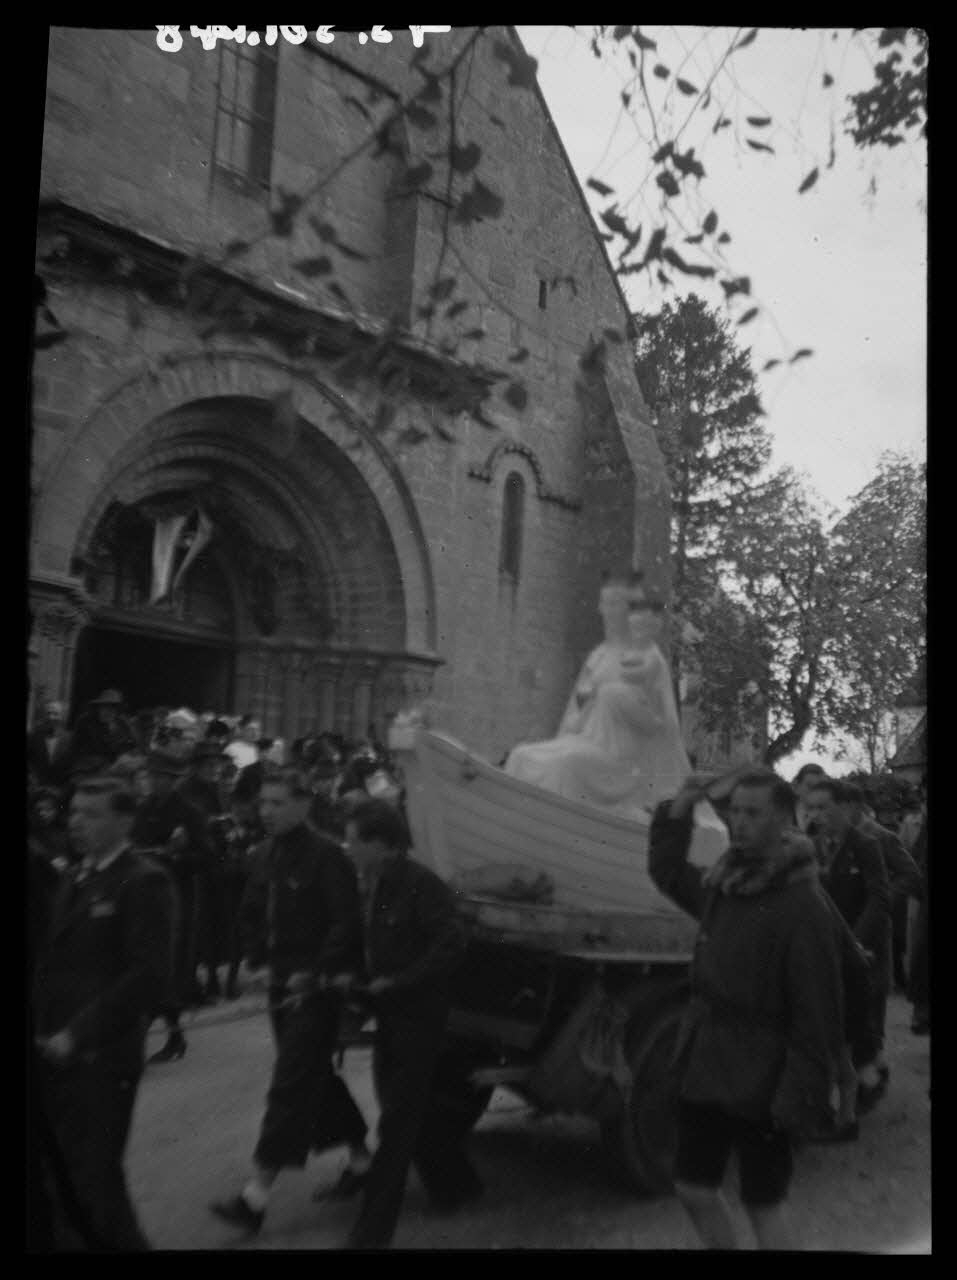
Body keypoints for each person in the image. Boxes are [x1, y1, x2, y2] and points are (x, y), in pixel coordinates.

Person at [648, 768, 844, 1251]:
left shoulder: (804, 906)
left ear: (783, 819)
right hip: (709, 1063)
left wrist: (797, 1099)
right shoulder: (725, 883)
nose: (739, 822)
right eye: (733, 811)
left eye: (753, 813)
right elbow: (668, 872)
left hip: (766, 1079)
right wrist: (680, 807)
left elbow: (817, 1016)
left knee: (764, 1205)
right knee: (693, 1187)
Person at [209, 766, 370, 1235]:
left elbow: (346, 924)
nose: (267, 812)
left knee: (291, 1082)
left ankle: (254, 1197)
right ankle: (363, 1163)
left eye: (278, 803)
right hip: (282, 987)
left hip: (317, 991)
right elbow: (250, 913)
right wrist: (258, 961)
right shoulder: (262, 855)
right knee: (314, 1075)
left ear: (304, 804)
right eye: (263, 803)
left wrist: (316, 972)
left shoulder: (328, 858)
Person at [31, 774, 175, 1250]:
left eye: (91, 814)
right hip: (55, 1053)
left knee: (94, 1186)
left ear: (125, 820)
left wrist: (79, 1033)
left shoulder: (143, 881)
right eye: (73, 812)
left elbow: (145, 976)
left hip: (100, 1058)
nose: (75, 823)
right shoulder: (77, 877)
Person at [340, 798, 480, 1250]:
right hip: (391, 1017)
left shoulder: (423, 886)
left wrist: (400, 983)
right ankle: (458, 1187)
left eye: (355, 840)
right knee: (407, 1110)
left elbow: (451, 946)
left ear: (383, 845)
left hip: (419, 1020)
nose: (348, 848)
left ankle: (371, 1235)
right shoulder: (376, 882)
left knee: (396, 1127)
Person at [505, 571, 725, 855]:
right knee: (522, 755)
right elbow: (579, 708)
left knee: (566, 765)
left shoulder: (648, 658)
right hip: (590, 739)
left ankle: (561, 844)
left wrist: (619, 700)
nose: (608, 611)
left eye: (617, 605)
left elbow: (660, 726)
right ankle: (522, 835)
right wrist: (578, 719)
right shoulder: (599, 656)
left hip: (624, 760)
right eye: (606, 603)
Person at [804, 777, 891, 1113]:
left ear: (843, 807)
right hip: (822, 945)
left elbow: (879, 896)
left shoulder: (865, 844)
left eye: (823, 807)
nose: (816, 814)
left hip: (857, 946)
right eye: (811, 807)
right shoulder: (807, 845)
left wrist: (856, 940)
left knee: (855, 1015)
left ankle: (867, 1078)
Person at [129, 747, 210, 1060]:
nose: (155, 782)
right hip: (145, 894)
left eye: (162, 777)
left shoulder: (189, 812)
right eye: (152, 776)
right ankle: (174, 1036)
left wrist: (177, 856)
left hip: (177, 895)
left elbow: (207, 855)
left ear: (174, 780)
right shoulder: (143, 808)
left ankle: (160, 1036)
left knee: (168, 965)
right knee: (152, 963)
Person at [842, 782, 923, 994]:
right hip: (844, 925)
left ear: (855, 805)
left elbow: (911, 874)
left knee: (870, 1006)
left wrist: (882, 900)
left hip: (872, 932)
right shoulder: (832, 837)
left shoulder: (880, 836)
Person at [179, 740, 231, 1003]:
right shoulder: (186, 789)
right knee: (196, 926)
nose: (214, 769)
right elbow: (188, 821)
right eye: (209, 765)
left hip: (215, 861)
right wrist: (212, 822)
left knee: (214, 923)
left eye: (217, 764)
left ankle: (211, 978)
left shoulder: (217, 789)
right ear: (197, 766)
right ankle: (191, 983)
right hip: (194, 863)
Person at [70, 689, 137, 766]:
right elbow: (76, 749)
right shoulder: (86, 722)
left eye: (113, 708)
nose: (108, 711)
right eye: (105, 707)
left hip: (117, 766)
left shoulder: (122, 723)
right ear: (98, 708)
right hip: (88, 766)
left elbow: (131, 745)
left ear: (118, 710)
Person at [28, 700, 74, 790]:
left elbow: (73, 766)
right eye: (48, 713)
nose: (51, 717)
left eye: (55, 714)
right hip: (36, 790)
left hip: (61, 791)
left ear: (63, 716)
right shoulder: (34, 737)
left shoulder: (71, 739)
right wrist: (31, 778)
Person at [791, 762, 827, 833]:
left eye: (820, 788)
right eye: (810, 786)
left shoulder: (827, 818)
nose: (815, 792)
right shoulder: (782, 813)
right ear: (797, 786)